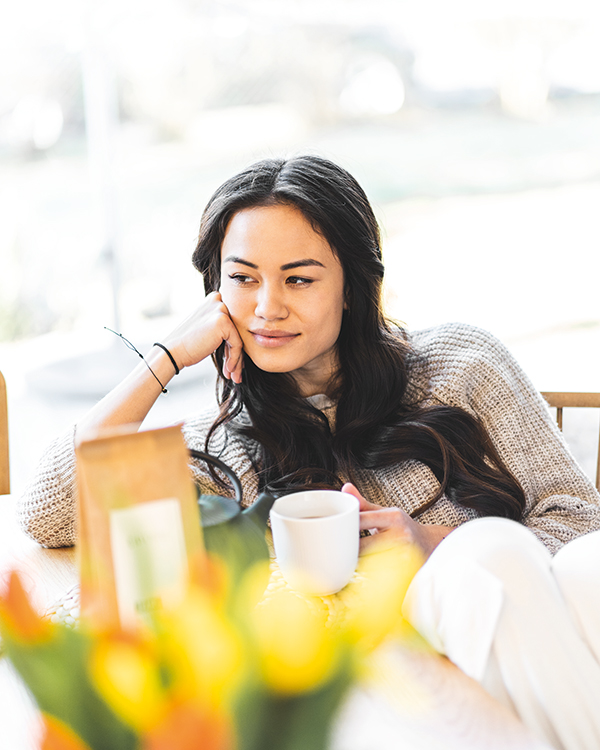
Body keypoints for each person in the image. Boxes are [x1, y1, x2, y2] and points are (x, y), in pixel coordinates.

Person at [18, 155, 600, 749]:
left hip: (523, 663)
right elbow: (46, 509)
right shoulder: (227, 446)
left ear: (351, 286)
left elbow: (582, 524)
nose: (268, 307)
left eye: (299, 279)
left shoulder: (461, 365)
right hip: (397, 712)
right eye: (243, 278)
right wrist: (166, 357)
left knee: (549, 559)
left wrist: (435, 546)